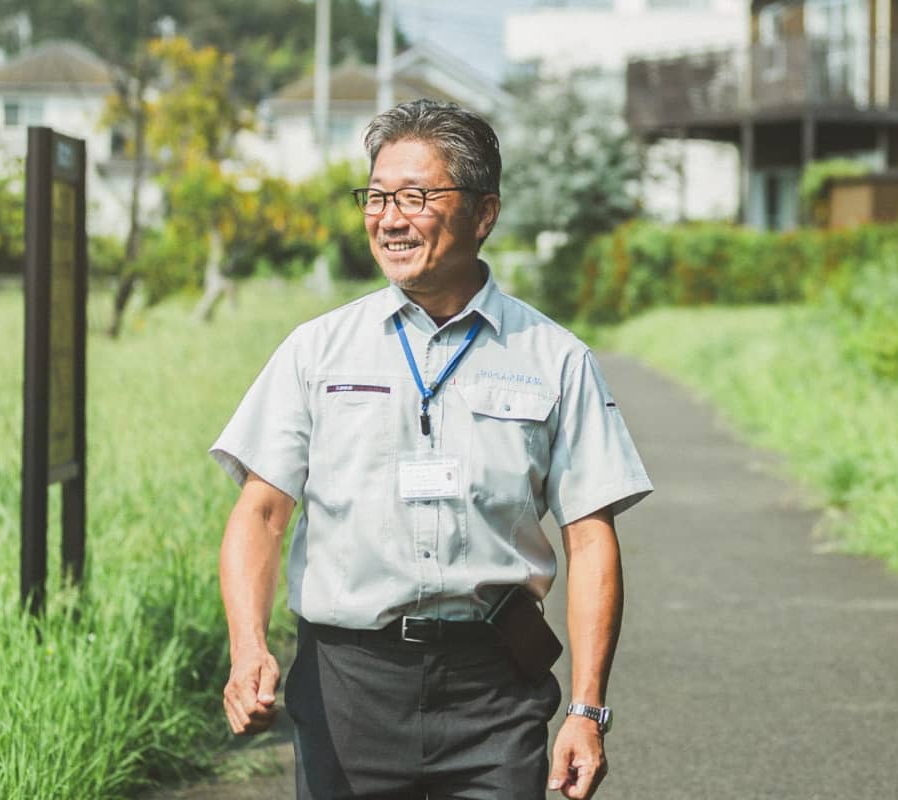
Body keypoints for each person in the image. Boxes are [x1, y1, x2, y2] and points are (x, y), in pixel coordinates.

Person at [210, 98, 652, 800]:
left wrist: (587, 709)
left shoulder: (554, 358)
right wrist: (248, 649)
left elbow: (590, 538)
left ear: (484, 213)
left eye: (415, 196)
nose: (388, 218)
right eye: (377, 196)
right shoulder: (317, 351)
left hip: (495, 689)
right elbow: (262, 513)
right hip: (346, 685)